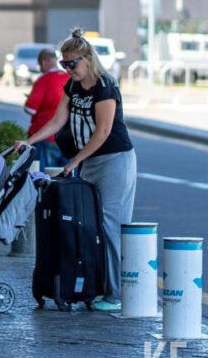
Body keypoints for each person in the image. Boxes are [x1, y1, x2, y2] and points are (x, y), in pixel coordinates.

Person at [15, 28, 136, 312]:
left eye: (72, 63)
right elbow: (58, 121)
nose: (68, 69)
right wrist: (29, 141)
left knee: (110, 225)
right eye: (63, 64)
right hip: (90, 160)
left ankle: (116, 294)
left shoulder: (105, 86)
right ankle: (94, 285)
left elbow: (103, 132)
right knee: (89, 225)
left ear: (88, 59)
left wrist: (74, 161)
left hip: (114, 159)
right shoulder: (72, 87)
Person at [24, 48, 69, 170]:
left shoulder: (44, 80)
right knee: (64, 179)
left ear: (43, 62)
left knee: (44, 178)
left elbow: (30, 109)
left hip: (44, 135)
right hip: (67, 138)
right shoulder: (69, 78)